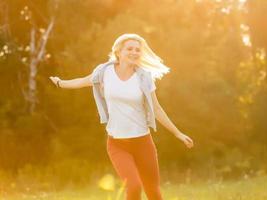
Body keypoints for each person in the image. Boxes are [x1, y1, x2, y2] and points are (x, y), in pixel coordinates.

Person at [49, 33, 194, 200]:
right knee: (133, 186)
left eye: (137, 50)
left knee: (153, 192)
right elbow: (82, 81)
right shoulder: (104, 72)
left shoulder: (143, 77)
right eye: (130, 49)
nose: (134, 52)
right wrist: (60, 83)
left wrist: (178, 133)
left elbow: (156, 108)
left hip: (143, 143)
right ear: (119, 51)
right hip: (117, 144)